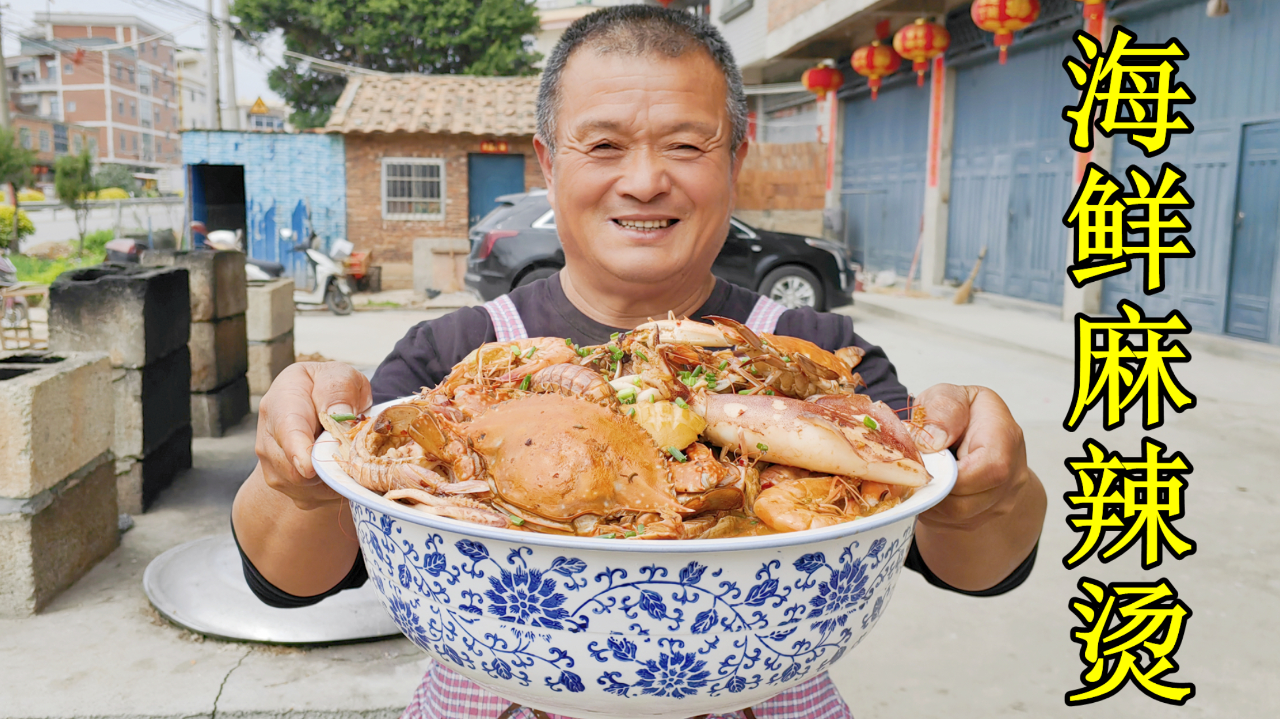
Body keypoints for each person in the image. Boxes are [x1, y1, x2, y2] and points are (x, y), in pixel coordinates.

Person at [232, 6, 1047, 718]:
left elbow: (977, 568)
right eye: (605, 144)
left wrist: (983, 493)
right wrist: (294, 476)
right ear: (551, 164)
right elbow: (290, 582)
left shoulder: (824, 362)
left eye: (687, 144)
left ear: (736, 158)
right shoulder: (452, 360)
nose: (647, 179)